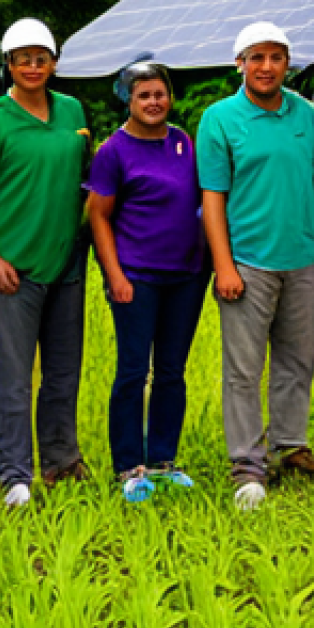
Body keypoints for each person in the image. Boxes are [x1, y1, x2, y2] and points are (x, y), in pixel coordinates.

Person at [197, 21, 314, 510]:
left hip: (302, 259)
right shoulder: (220, 119)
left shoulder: (307, 115)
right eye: (256, 58)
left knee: (297, 360)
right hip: (248, 261)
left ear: (287, 63)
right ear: (239, 64)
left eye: (276, 57)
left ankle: (290, 445)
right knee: (244, 368)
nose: (266, 67)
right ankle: (247, 463)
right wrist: (224, 265)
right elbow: (212, 198)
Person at [0, 18, 91, 508]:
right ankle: (13, 471)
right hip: (13, 265)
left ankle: (61, 459)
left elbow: (83, 179)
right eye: (23, 59)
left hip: (67, 260)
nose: (33, 67)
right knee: (13, 375)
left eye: (41, 58)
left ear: (54, 63)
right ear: (8, 65)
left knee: (63, 370)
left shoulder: (72, 110)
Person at [88, 63, 208, 501]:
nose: (154, 102)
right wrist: (115, 275)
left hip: (186, 276)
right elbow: (98, 217)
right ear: (128, 100)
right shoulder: (113, 151)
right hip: (136, 277)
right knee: (133, 371)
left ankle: (162, 461)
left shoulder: (183, 142)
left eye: (160, 94)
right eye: (144, 96)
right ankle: (128, 466)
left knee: (172, 371)